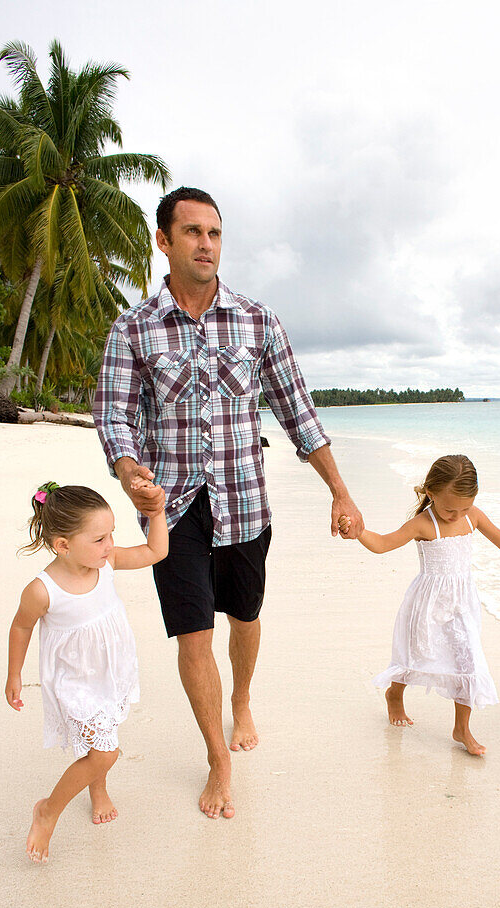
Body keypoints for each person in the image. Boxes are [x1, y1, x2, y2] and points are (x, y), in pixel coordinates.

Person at [93, 185, 363, 821]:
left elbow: (298, 410)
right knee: (193, 634)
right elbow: (113, 416)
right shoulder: (133, 327)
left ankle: (242, 697)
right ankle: (218, 755)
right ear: (164, 242)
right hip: (173, 507)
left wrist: (340, 491)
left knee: (244, 617)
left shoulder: (258, 320)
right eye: (192, 233)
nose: (206, 245)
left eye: (214, 233)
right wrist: (132, 473)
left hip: (244, 498)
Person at [341, 455, 500, 754]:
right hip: (428, 604)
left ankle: (462, 728)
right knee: (415, 656)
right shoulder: (423, 523)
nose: (457, 516)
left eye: (464, 508)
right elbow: (383, 543)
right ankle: (395, 694)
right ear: (431, 493)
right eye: (449, 509)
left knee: (467, 661)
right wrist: (358, 532)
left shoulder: (474, 516)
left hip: (462, 604)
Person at [5, 481, 169, 863]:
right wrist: (14, 675)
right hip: (75, 682)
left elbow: (155, 550)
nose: (109, 544)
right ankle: (48, 810)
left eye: (111, 534)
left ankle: (97, 791)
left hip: (110, 672)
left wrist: (157, 513)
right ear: (63, 545)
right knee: (104, 752)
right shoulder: (43, 590)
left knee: (102, 740)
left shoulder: (106, 563)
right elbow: (21, 627)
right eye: (99, 539)